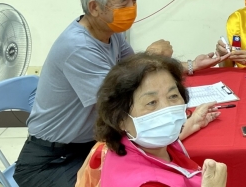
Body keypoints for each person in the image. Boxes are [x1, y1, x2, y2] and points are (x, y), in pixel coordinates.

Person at [15, 0, 221, 187]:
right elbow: (119, 98)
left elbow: (137, 75)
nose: (132, 9)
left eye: (134, 1)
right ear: (94, 7)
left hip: (91, 143)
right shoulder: (78, 47)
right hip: (55, 159)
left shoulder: (111, 34)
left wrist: (190, 65)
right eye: (123, 4)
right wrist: (152, 55)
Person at [93, 52, 227, 187]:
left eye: (173, 96)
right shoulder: (147, 183)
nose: (168, 109)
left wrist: (193, 122)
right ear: (120, 118)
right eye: (151, 102)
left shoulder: (135, 142)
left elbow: (167, 133)